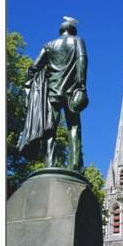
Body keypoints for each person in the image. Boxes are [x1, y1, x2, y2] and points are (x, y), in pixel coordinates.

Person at [18, 16, 88, 172]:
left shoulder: (48, 45)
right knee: (74, 127)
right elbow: (83, 61)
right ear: (73, 30)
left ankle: (50, 163)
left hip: (52, 93)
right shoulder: (78, 41)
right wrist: (81, 86)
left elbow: (35, 66)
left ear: (61, 30)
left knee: (50, 128)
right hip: (72, 92)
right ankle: (75, 164)